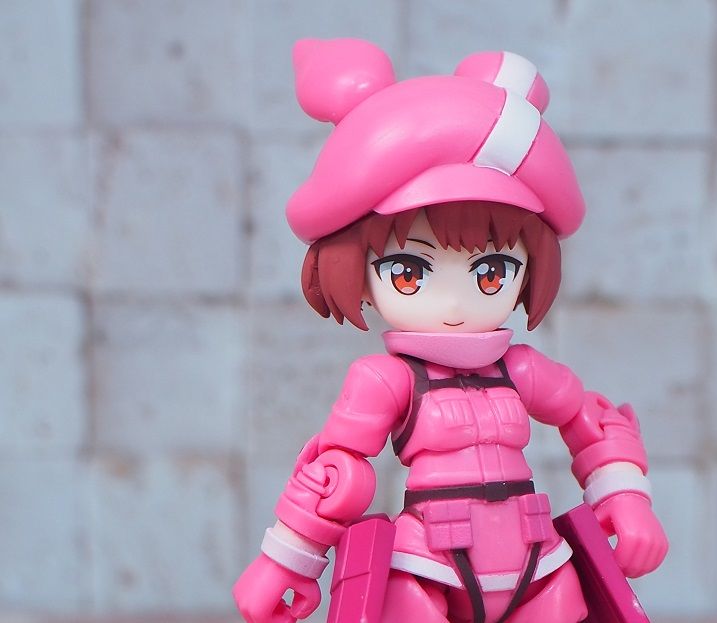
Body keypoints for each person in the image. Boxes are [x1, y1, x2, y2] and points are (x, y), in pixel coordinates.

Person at [233, 38, 668, 623]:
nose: (456, 302)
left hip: (537, 562)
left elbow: (590, 419)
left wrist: (625, 498)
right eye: (409, 273)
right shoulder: (387, 381)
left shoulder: (521, 370)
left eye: (491, 272)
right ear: (355, 269)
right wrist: (285, 561)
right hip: (429, 564)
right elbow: (337, 474)